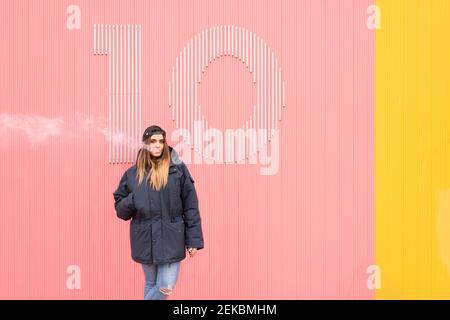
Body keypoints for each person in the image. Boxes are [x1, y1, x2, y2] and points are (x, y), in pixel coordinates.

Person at [113, 125, 204, 300]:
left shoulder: (177, 169)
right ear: (145, 144)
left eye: (161, 141)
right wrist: (134, 198)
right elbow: (120, 210)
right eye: (153, 141)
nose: (158, 145)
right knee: (151, 284)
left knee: (165, 286)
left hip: (172, 238)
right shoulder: (132, 174)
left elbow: (190, 206)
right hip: (145, 239)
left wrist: (193, 240)